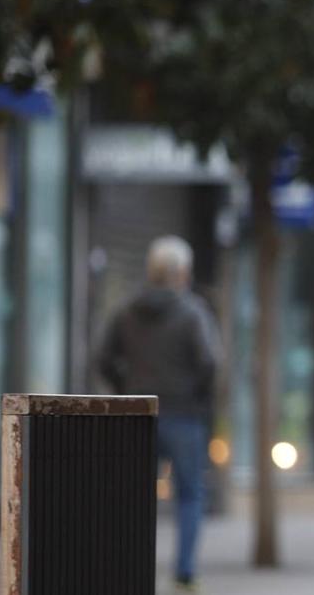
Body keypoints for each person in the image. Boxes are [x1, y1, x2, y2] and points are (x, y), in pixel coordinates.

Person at [94, 235, 220, 592]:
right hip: (183, 413)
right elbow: (210, 362)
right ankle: (183, 573)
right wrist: (197, 395)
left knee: (135, 494)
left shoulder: (127, 310)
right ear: (181, 272)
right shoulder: (193, 311)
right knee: (190, 495)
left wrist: (124, 391)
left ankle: (130, 566)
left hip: (138, 414)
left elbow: (103, 358)